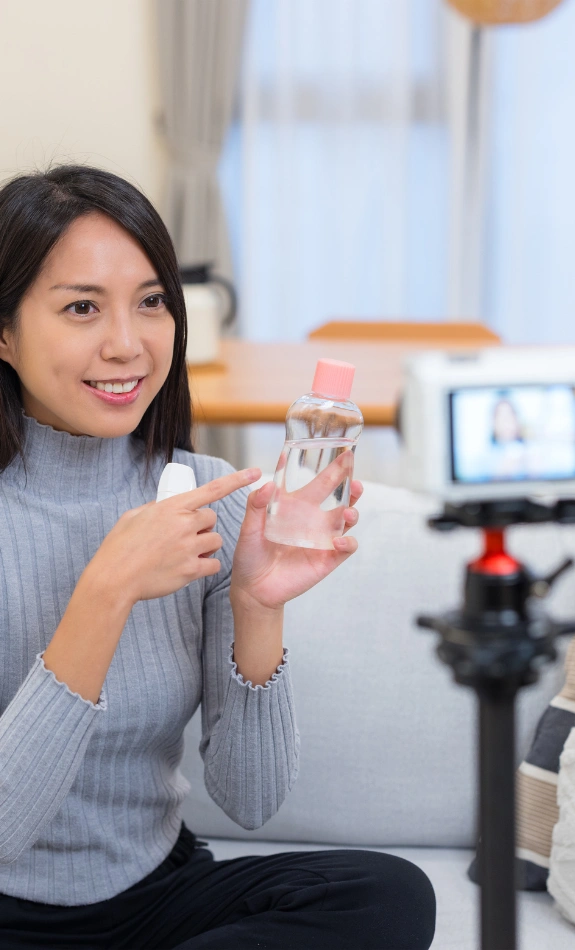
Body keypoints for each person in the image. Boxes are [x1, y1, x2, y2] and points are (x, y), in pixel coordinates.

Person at [0, 166, 435, 950]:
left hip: (157, 896)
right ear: (4, 332)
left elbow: (250, 801)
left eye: (151, 302)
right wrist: (107, 589)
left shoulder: (207, 496)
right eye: (80, 308)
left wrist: (256, 608)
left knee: (387, 894)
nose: (127, 344)